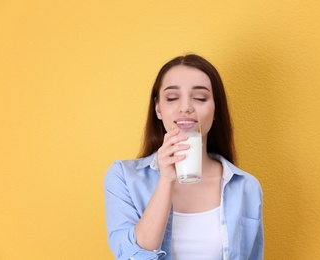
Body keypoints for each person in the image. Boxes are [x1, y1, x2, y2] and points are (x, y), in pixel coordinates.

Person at [104, 54, 264, 260]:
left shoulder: (246, 187)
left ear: (215, 110)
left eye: (200, 98)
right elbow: (130, 257)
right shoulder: (123, 177)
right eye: (172, 98)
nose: (186, 107)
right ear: (158, 108)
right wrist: (166, 179)